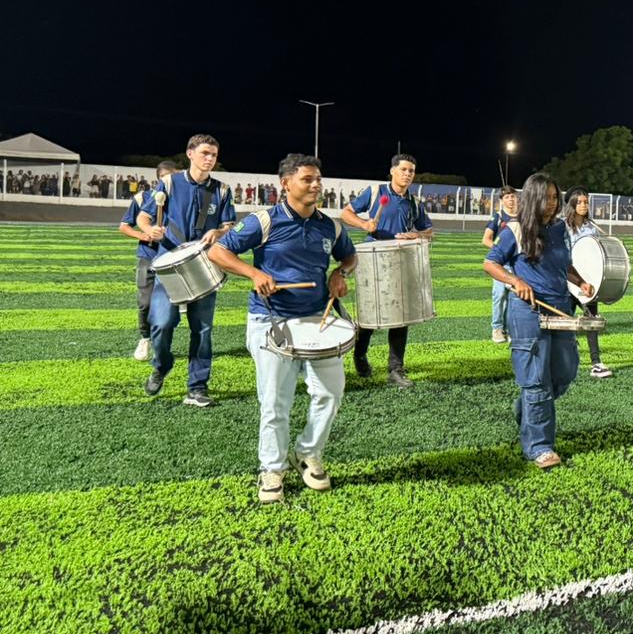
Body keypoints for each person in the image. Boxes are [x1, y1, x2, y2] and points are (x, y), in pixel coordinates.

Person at [208, 154, 358, 503]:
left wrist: (340, 273)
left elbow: (349, 256)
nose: (316, 185)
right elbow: (218, 252)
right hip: (271, 319)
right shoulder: (264, 221)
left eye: (318, 179)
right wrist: (254, 273)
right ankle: (272, 468)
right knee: (276, 402)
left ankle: (307, 452)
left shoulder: (330, 226)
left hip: (317, 320)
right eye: (307, 179)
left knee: (331, 393)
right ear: (285, 184)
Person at [483, 173, 594, 470]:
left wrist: (580, 281)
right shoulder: (516, 229)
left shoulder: (559, 229)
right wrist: (515, 280)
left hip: (560, 309)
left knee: (565, 370)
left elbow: (564, 264)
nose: (552, 203)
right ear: (533, 198)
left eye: (556, 197)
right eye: (547, 198)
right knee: (536, 380)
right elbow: (490, 263)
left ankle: (526, 409)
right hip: (528, 312)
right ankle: (540, 447)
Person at [136, 135, 236, 407]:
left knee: (202, 330)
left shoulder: (222, 190)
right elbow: (143, 216)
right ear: (190, 154)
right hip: (169, 264)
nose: (210, 159)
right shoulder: (170, 183)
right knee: (161, 323)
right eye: (205, 153)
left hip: (203, 263)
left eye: (214, 155)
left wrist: (219, 232)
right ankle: (162, 364)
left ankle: (197, 387)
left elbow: (229, 225)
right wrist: (149, 230)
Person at [340, 154, 433, 388]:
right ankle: (360, 355)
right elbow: (345, 213)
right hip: (373, 259)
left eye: (411, 171)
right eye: (403, 169)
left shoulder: (414, 203)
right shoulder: (375, 192)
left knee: (401, 317)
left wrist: (416, 235)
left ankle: (395, 369)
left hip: (400, 260)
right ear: (392, 171)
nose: (407, 174)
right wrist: (364, 224)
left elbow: (429, 232)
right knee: (370, 315)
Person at [117, 160, 178, 361]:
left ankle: (163, 343)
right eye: (164, 179)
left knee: (170, 305)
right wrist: (143, 234)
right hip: (148, 256)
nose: (168, 183)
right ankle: (145, 338)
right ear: (158, 180)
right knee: (144, 302)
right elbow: (124, 226)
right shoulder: (142, 198)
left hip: (171, 257)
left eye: (172, 179)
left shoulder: (181, 200)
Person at [563, 187, 613, 378]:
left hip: (587, 282)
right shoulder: (563, 227)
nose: (584, 205)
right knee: (565, 321)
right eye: (580, 202)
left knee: (591, 321)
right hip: (567, 280)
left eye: (586, 202)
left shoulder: (592, 227)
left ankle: (596, 362)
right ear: (572, 204)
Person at [481, 186, 519, 343]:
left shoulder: (523, 217)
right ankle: (497, 328)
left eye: (512, 196)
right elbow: (486, 239)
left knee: (514, 297)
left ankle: (510, 329)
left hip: (517, 264)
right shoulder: (498, 217)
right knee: (499, 295)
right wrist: (501, 250)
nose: (510, 199)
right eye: (507, 197)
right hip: (501, 264)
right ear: (502, 200)